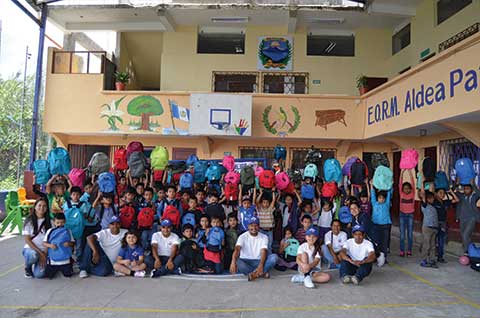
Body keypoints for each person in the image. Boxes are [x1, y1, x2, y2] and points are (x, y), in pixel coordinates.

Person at [229, 217, 278, 281]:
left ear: (259, 226)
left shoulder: (264, 237)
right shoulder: (242, 236)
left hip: (259, 261)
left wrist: (261, 265)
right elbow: (237, 249)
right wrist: (233, 262)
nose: (254, 228)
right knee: (237, 261)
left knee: (274, 257)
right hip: (246, 261)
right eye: (251, 226)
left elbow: (264, 251)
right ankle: (261, 273)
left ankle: (254, 274)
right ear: (248, 226)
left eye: (256, 226)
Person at [22, 198, 52, 278]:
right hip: (31, 250)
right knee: (34, 255)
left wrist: (45, 254)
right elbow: (27, 239)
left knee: (39, 275)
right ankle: (27, 268)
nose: (42, 208)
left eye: (44, 206)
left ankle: (39, 264)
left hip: (44, 250)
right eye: (39, 205)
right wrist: (41, 254)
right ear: (35, 207)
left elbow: (50, 239)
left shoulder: (50, 221)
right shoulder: (29, 220)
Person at [43, 213, 75, 278]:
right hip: (53, 260)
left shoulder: (68, 231)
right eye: (58, 223)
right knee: (48, 275)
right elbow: (44, 243)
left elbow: (73, 243)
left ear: (65, 221)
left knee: (68, 274)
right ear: (54, 222)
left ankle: (67, 266)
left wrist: (68, 243)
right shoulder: (50, 231)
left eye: (62, 222)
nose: (60, 224)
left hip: (65, 260)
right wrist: (50, 245)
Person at [455, 181, 480, 255]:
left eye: (468, 189)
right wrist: (457, 183)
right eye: (465, 189)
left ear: (471, 190)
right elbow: (453, 192)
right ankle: (471, 250)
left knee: (466, 235)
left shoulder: (473, 197)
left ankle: (467, 252)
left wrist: (473, 185)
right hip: (462, 219)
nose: (466, 190)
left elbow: (479, 193)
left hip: (471, 219)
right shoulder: (461, 196)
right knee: (464, 236)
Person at [434, 188, 459, 263]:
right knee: (434, 240)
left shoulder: (445, 202)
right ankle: (432, 255)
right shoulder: (434, 202)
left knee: (441, 240)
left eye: (443, 193)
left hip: (443, 224)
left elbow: (457, 200)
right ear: (436, 194)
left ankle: (440, 257)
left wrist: (451, 192)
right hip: (435, 224)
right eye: (440, 193)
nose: (442, 194)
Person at [370, 181, 392, 263]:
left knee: (384, 242)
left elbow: (389, 193)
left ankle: (384, 257)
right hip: (376, 225)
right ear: (377, 198)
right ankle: (376, 257)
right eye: (379, 198)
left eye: (383, 198)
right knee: (376, 242)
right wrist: (371, 185)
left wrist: (390, 184)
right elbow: (372, 194)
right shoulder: (374, 203)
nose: (381, 199)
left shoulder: (387, 204)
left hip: (385, 226)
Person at [419, 188, 439, 268]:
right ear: (426, 199)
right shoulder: (425, 206)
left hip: (434, 228)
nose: (432, 199)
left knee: (433, 245)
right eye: (429, 198)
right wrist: (423, 184)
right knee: (426, 245)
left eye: (432, 198)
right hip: (427, 228)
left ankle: (432, 259)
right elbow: (423, 195)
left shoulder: (434, 206)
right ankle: (424, 260)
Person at [399, 169, 415, 257]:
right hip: (402, 215)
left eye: (408, 189)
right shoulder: (401, 194)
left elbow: (413, 183)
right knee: (402, 235)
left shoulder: (412, 194)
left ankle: (409, 250)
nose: (406, 190)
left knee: (409, 234)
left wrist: (410, 173)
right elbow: (400, 183)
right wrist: (402, 173)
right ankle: (402, 250)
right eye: (405, 188)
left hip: (410, 215)